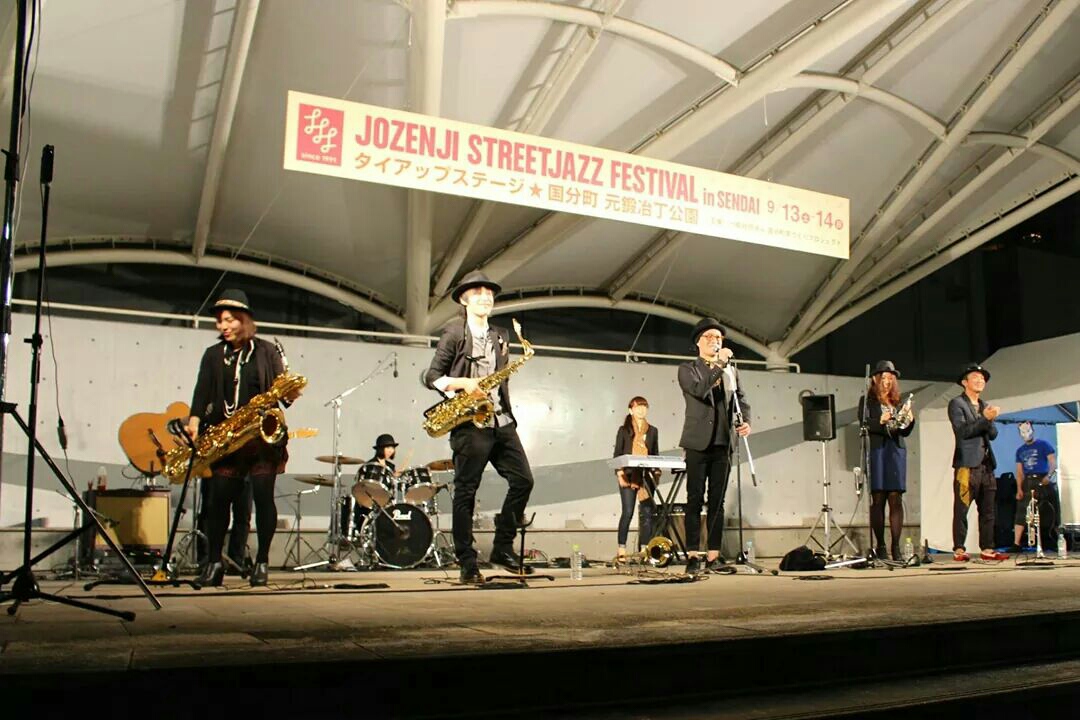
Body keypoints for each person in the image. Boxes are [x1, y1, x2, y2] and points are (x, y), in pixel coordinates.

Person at [424, 271, 535, 584]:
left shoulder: (501, 335)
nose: (486, 297)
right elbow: (432, 377)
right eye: (478, 292)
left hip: (500, 420)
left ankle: (502, 547)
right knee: (466, 492)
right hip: (469, 422)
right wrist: (464, 384)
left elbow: (501, 377)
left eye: (489, 292)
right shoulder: (454, 332)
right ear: (464, 299)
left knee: (523, 481)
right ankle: (467, 562)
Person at [186, 289, 299, 587]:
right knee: (217, 501)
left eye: (229, 320)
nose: (223, 326)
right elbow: (201, 391)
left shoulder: (266, 351)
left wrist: (291, 392)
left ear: (244, 320)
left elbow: (284, 396)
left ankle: (261, 562)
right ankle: (214, 563)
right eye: (220, 321)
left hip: (261, 438)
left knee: (263, 498)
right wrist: (194, 422)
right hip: (227, 437)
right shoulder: (213, 355)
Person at [678, 318, 751, 573]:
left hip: (723, 442)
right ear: (698, 342)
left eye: (718, 337)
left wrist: (746, 421)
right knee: (694, 499)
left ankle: (713, 555)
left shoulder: (731, 371)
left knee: (717, 501)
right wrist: (719, 364)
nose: (715, 341)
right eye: (709, 337)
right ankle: (692, 555)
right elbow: (700, 390)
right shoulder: (688, 369)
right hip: (698, 443)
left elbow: (741, 399)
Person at [948, 363, 1006, 562]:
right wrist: (984, 418)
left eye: (982, 378)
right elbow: (963, 432)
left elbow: (994, 434)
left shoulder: (984, 404)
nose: (980, 380)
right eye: (975, 377)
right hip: (966, 464)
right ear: (965, 382)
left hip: (986, 464)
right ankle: (959, 549)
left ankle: (987, 548)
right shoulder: (957, 404)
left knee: (988, 510)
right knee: (962, 508)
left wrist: (989, 418)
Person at [859, 361, 914, 561]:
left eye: (890, 378)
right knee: (879, 498)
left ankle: (896, 547)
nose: (887, 381)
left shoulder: (898, 402)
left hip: (895, 451)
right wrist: (879, 421)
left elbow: (904, 431)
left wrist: (910, 420)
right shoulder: (867, 401)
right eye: (883, 377)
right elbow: (864, 425)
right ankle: (881, 545)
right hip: (877, 451)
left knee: (895, 497)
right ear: (875, 379)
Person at [612, 396, 657, 559]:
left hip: (646, 476)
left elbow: (655, 454)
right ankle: (621, 549)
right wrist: (620, 475)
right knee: (628, 511)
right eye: (638, 407)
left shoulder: (652, 431)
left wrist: (656, 474)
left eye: (644, 407)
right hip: (628, 475)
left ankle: (644, 549)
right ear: (631, 410)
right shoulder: (624, 430)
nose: (641, 410)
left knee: (647, 512)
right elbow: (617, 454)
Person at [1012, 421, 1060, 550]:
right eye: (1022, 432)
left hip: (1043, 478)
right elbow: (1019, 472)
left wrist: (1049, 476)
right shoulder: (1020, 451)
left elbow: (1053, 463)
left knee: (1051, 509)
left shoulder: (1043, 445)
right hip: (1028, 480)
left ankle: (1054, 539)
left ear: (1032, 430)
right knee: (1022, 511)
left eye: (1028, 430)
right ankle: (1016, 543)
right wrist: (1019, 488)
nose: (1026, 434)